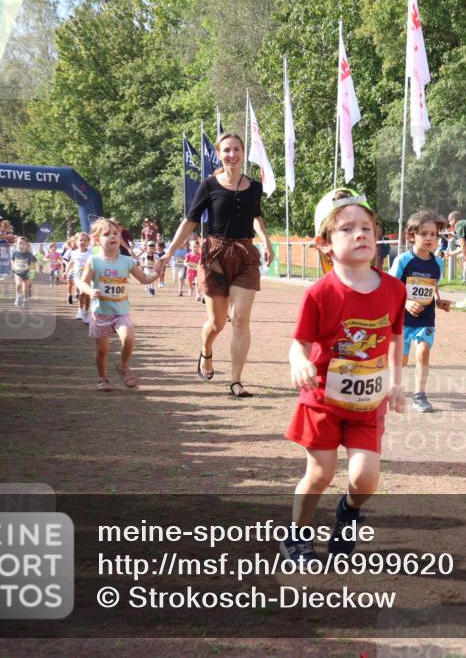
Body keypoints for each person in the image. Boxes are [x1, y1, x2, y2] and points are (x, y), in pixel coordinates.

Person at [281, 188, 406, 564]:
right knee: (319, 474)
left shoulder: (394, 289)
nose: (361, 234)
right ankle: (296, 536)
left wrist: (398, 383)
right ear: (325, 244)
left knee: (366, 478)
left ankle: (348, 511)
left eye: (366, 227)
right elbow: (298, 344)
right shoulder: (319, 294)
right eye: (347, 228)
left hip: (367, 404)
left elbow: (396, 338)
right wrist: (298, 363)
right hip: (322, 401)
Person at [161, 133, 273, 396]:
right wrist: (170, 253)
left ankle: (236, 380)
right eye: (226, 150)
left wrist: (266, 241)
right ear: (219, 155)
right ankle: (206, 351)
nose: (232, 154)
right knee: (217, 323)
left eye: (236, 149)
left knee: (241, 319)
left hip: (245, 254)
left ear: (243, 153)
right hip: (215, 256)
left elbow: (256, 216)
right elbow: (190, 221)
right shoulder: (209, 185)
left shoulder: (255, 187)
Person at [75, 218, 158, 391]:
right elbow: (82, 283)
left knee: (129, 338)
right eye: (107, 234)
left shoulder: (127, 261)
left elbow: (144, 279)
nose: (113, 236)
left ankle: (123, 365)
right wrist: (90, 291)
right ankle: (102, 378)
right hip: (100, 313)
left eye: (116, 233)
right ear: (96, 240)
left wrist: (157, 272)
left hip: (121, 312)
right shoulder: (94, 261)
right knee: (102, 351)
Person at [389, 209, 452, 413]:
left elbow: (432, 286)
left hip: (425, 319)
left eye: (433, 235)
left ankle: (420, 395)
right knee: (403, 360)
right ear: (411, 236)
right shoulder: (403, 261)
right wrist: (406, 303)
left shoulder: (437, 263)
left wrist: (439, 301)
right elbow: (391, 289)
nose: (429, 239)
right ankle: (394, 390)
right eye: (424, 234)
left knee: (423, 352)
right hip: (402, 320)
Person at [67, 232, 93, 323]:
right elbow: (71, 262)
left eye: (85, 240)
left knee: (87, 294)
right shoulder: (74, 253)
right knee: (82, 293)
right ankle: (80, 310)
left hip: (89, 275)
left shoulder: (91, 252)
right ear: (76, 242)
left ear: (88, 243)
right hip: (77, 276)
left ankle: (86, 311)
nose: (83, 242)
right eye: (81, 240)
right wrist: (66, 272)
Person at [10, 236, 37, 308]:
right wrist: (12, 266)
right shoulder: (15, 253)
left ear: (26, 245)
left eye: (23, 244)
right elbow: (12, 260)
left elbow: (34, 262)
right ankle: (18, 296)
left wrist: (31, 268)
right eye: (20, 243)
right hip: (18, 272)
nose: (21, 245)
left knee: (25, 288)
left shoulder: (29, 254)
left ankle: (25, 301)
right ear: (16, 244)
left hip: (27, 273)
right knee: (18, 284)